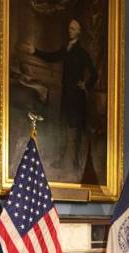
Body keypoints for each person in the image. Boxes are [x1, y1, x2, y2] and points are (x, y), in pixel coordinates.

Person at [21, 18, 97, 169]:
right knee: (62, 126)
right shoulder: (66, 48)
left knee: (76, 129)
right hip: (66, 94)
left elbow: (94, 74)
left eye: (73, 29)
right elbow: (53, 56)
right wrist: (35, 51)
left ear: (79, 32)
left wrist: (86, 85)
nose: (70, 31)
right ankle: (61, 159)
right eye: (69, 28)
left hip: (77, 96)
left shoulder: (82, 53)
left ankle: (76, 162)